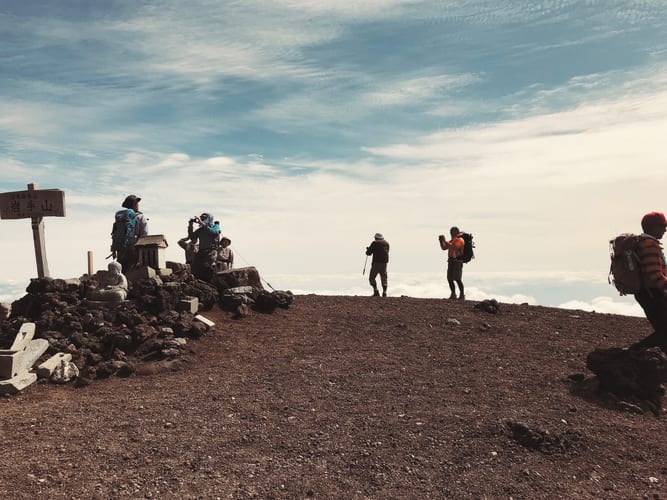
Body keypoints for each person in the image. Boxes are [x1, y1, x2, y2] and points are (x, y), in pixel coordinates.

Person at [630, 211, 667, 352]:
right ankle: (635, 351)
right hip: (652, 293)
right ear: (652, 227)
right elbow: (653, 273)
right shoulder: (649, 244)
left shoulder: (644, 243)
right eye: (662, 226)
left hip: (649, 292)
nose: (665, 229)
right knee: (664, 331)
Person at [112, 194, 149, 272]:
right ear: (134, 204)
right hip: (134, 249)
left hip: (120, 249)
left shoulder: (121, 217)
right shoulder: (140, 217)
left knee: (122, 271)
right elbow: (145, 236)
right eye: (137, 203)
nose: (138, 205)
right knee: (133, 272)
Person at [188, 212, 221, 281]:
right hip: (201, 251)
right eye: (201, 218)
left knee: (206, 266)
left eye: (204, 218)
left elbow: (214, 233)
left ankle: (211, 281)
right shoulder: (200, 230)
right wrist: (190, 225)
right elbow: (192, 237)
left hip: (211, 251)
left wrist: (203, 224)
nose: (202, 219)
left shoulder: (215, 226)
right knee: (195, 267)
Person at [439, 226, 465, 300]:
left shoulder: (460, 240)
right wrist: (441, 242)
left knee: (457, 278)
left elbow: (455, 247)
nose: (451, 233)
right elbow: (444, 248)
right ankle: (453, 294)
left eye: (452, 232)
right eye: (450, 232)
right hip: (451, 260)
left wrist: (445, 241)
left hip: (457, 261)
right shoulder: (452, 241)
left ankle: (462, 295)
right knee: (450, 278)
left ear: (456, 232)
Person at [365, 233, 390, 297]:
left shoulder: (375, 243)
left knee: (372, 277)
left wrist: (368, 250)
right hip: (384, 263)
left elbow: (368, 253)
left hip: (376, 263)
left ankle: (376, 291)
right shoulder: (387, 243)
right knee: (384, 278)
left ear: (376, 238)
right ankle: (384, 292)